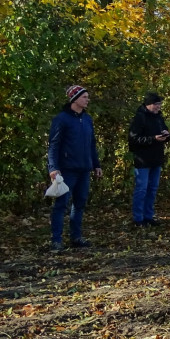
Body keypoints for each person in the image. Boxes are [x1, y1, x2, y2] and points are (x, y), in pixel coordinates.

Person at [47, 85, 102, 252]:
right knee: (61, 204)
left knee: (80, 204)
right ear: (75, 98)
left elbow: (91, 144)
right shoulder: (61, 119)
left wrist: (96, 164)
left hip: (84, 169)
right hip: (67, 169)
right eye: (84, 97)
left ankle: (76, 237)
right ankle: (56, 240)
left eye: (87, 96)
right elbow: (53, 146)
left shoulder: (87, 119)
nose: (87, 99)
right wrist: (53, 168)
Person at [128, 91, 170, 227]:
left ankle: (148, 216)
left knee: (152, 188)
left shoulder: (159, 117)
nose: (158, 107)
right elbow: (133, 139)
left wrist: (167, 135)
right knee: (141, 189)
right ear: (148, 104)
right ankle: (138, 218)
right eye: (156, 104)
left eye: (159, 104)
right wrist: (153, 139)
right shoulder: (139, 118)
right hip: (142, 159)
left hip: (156, 158)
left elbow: (166, 133)